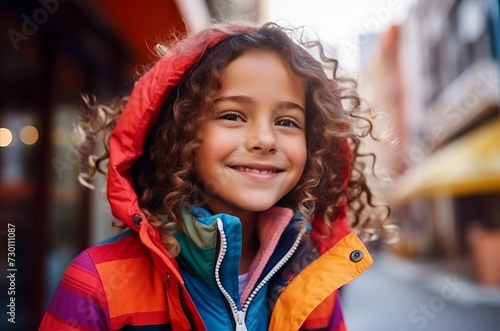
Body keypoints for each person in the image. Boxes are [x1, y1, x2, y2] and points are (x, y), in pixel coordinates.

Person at [39, 21, 396, 330]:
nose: (264, 140)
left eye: (287, 122)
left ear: (314, 144)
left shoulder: (315, 286)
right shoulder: (99, 282)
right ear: (177, 132)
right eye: (232, 116)